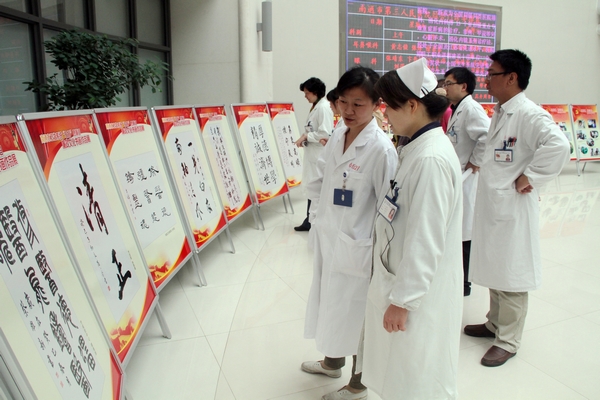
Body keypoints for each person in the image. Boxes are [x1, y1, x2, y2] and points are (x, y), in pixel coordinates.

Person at [362, 57, 463, 399]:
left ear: (412, 105)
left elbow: (426, 240)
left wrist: (403, 301)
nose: (384, 114)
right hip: (398, 280)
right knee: (402, 374)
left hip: (418, 297)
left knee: (416, 377)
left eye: (389, 106)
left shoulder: (430, 159)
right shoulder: (416, 148)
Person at [464, 49, 570, 367]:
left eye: (492, 74)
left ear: (511, 78)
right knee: (496, 268)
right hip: (495, 207)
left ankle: (508, 340)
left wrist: (531, 176)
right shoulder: (502, 111)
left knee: (511, 273)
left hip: (512, 209)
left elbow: (559, 145)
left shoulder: (529, 114)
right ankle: (495, 323)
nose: (486, 80)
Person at [301, 66, 397, 400]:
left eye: (358, 104)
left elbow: (388, 209)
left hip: (359, 248)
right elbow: (322, 178)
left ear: (377, 105)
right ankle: (332, 362)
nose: (349, 110)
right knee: (331, 303)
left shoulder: (381, 149)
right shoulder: (339, 134)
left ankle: (358, 385)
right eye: (343, 102)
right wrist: (317, 217)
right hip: (330, 238)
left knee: (357, 315)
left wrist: (381, 258)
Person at [443, 66, 490, 296]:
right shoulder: (457, 109)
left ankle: (464, 284)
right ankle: (457, 279)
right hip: (458, 175)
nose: (445, 88)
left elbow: (486, 136)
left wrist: (475, 161)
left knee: (465, 233)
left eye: (449, 83)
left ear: (463, 86)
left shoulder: (471, 109)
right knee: (458, 230)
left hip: (467, 177)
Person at [294, 77, 333, 232]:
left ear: (315, 92)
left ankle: (312, 221)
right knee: (313, 188)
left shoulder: (323, 108)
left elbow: (325, 133)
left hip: (318, 155)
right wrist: (305, 137)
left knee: (316, 189)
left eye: (307, 93)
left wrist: (306, 137)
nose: (305, 96)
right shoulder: (316, 107)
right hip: (313, 155)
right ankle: (310, 220)